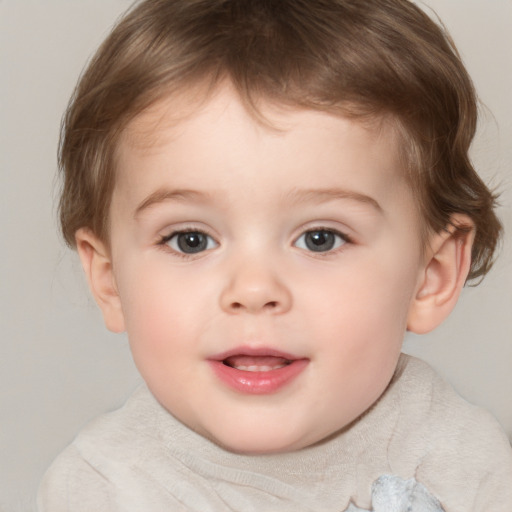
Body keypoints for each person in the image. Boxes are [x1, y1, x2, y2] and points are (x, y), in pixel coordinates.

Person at [37, 0, 512, 510]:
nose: (254, 289)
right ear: (109, 280)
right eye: (190, 239)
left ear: (431, 275)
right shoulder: (99, 491)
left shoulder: (465, 467)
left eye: (320, 238)